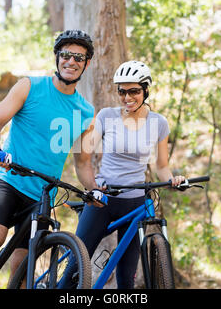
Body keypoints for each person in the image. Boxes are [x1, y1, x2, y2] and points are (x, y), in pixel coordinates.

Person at [0, 30, 103, 289]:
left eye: (79, 57)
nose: (71, 62)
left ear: (86, 63)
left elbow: (83, 162)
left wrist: (94, 190)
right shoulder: (29, 86)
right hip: (9, 180)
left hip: (43, 195)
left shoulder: (86, 112)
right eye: (66, 55)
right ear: (57, 58)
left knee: (22, 268)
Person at [60, 60, 185, 289]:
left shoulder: (159, 123)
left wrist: (173, 180)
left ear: (146, 90)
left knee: (126, 278)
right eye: (122, 91)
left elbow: (162, 166)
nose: (127, 97)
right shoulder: (107, 116)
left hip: (135, 201)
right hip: (103, 198)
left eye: (134, 91)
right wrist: (92, 185)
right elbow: (84, 156)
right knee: (75, 267)